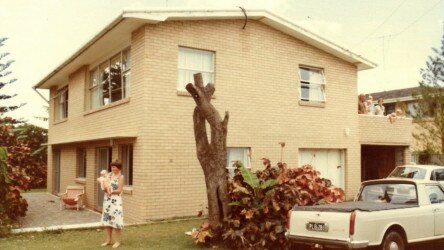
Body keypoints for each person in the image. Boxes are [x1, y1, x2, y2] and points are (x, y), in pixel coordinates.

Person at [101, 160, 124, 248]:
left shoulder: (121, 177)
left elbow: (119, 190)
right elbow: (104, 185)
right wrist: (104, 188)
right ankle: (108, 240)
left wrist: (111, 191)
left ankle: (117, 241)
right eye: (112, 167)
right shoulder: (109, 175)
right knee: (107, 220)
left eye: (114, 167)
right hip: (107, 200)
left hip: (116, 201)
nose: (113, 168)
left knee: (116, 220)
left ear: (119, 168)